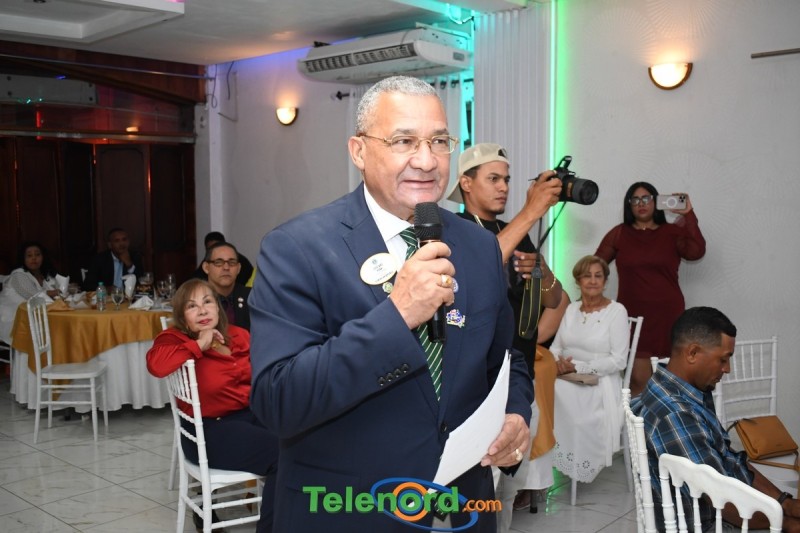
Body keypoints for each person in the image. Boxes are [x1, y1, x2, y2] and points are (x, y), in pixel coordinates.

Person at [248, 75, 533, 533]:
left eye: (438, 141)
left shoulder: (479, 247)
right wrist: (397, 317)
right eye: (404, 141)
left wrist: (516, 412)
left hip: (462, 507)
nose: (426, 160)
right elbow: (278, 400)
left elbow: (506, 359)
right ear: (359, 151)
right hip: (347, 510)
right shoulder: (297, 248)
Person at [446, 142, 564, 528]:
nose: (503, 188)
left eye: (507, 180)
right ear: (466, 183)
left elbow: (556, 299)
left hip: (517, 374)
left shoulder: (515, 231)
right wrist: (532, 211)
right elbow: (474, 273)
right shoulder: (457, 230)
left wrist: (542, 272)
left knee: (508, 487)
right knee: (478, 488)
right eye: (493, 178)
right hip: (479, 381)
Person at [633, 307, 800, 532]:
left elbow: (730, 460)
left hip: (714, 512)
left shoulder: (676, 389)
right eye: (723, 359)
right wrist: (786, 523)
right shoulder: (676, 414)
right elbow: (723, 500)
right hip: (709, 524)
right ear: (692, 353)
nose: (727, 369)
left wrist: (784, 503)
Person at [146, 279, 277, 533]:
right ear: (182, 317)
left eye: (207, 302)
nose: (202, 310)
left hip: (249, 416)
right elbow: (156, 366)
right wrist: (199, 344)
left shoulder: (238, 335)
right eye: (192, 306)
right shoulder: (174, 339)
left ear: (218, 307)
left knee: (299, 441)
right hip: (206, 431)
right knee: (281, 455)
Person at [595, 182, 705, 396]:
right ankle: (637, 420)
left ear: (656, 202)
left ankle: (665, 418)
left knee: (669, 382)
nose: (641, 204)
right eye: (635, 200)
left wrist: (689, 214)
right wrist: (595, 301)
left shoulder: (672, 232)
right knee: (638, 380)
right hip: (634, 317)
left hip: (667, 316)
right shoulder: (619, 234)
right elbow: (594, 267)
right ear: (629, 205)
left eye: (646, 198)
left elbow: (696, 252)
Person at [551, 255, 629, 486]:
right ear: (578, 281)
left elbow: (619, 361)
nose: (593, 281)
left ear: (605, 281)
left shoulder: (617, 311)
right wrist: (558, 364)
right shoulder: (571, 309)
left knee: (559, 403)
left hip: (600, 383)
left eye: (598, 276)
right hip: (566, 376)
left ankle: (572, 462)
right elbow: (555, 347)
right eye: (587, 276)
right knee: (540, 395)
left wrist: (579, 367)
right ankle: (540, 469)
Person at [0, 241, 60, 344]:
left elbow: (57, 291)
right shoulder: (18, 275)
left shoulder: (45, 274)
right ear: (23, 259)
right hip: (15, 319)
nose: (34, 258)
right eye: (29, 256)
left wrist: (64, 290)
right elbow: (33, 296)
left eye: (37, 255)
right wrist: (56, 292)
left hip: (37, 315)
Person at [202, 242, 251, 331]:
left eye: (232, 262)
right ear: (206, 267)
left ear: (238, 268)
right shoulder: (194, 299)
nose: (226, 267)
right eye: (218, 262)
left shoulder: (252, 297)